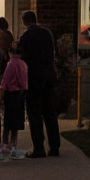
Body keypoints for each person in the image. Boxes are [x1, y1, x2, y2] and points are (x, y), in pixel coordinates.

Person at [17, 11, 61, 158]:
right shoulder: (47, 33)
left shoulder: (26, 36)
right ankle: (55, 147)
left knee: (34, 113)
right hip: (48, 76)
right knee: (50, 112)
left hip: (34, 78)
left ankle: (39, 147)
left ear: (24, 22)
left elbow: (21, 56)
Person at [0, 46, 29, 161]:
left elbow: (4, 84)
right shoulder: (24, 65)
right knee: (16, 124)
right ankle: (14, 146)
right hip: (20, 95)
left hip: (11, 95)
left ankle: (5, 145)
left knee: (7, 123)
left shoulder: (11, 64)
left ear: (10, 52)